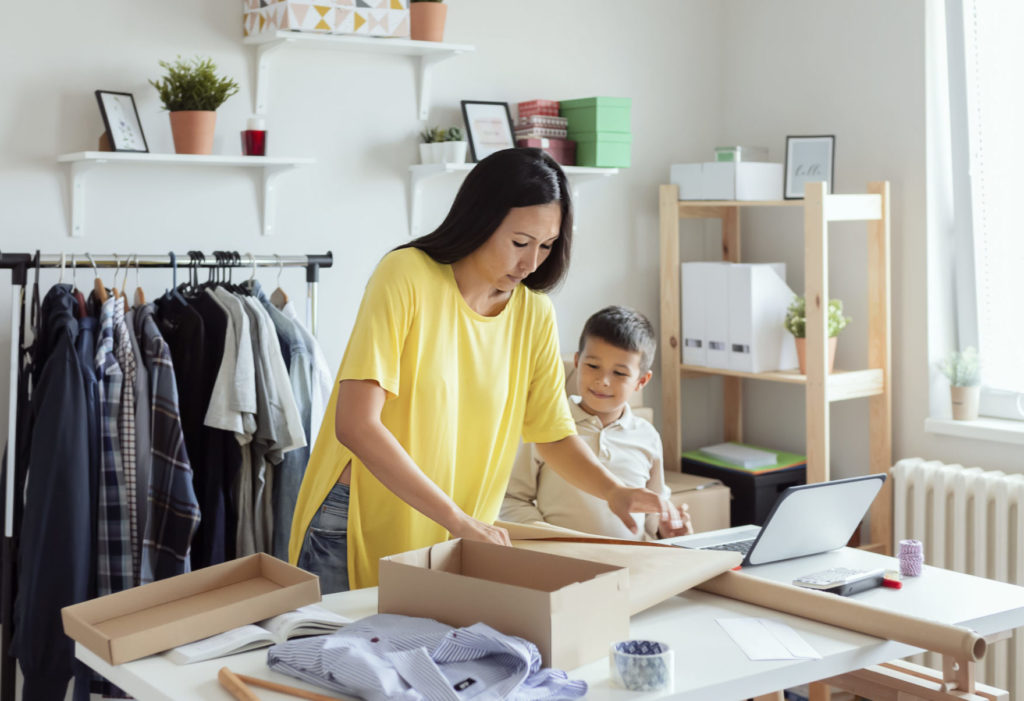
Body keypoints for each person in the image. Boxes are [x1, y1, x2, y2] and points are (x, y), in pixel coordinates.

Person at [289, 148, 681, 593]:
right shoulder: (406, 276)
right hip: (359, 517)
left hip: (455, 528)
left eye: (547, 246)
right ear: (481, 219)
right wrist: (458, 519)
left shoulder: (534, 314)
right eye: (520, 243)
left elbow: (550, 433)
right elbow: (356, 425)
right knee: (338, 660)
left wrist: (613, 491)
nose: (532, 263)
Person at [501, 306, 693, 541]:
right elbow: (512, 499)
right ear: (577, 361)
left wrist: (667, 529)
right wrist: (549, 540)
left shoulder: (647, 437)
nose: (603, 381)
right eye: (593, 366)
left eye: (620, 373)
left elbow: (653, 509)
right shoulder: (547, 425)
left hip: (631, 565)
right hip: (562, 562)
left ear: (641, 381)